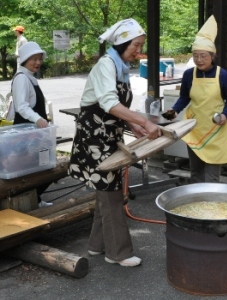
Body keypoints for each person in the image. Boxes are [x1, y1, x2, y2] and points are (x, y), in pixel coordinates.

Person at [68, 18, 161, 267]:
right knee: (110, 191)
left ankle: (97, 245)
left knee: (106, 188)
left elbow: (117, 109)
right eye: (136, 46)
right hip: (95, 137)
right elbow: (109, 104)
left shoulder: (119, 66)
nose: (138, 51)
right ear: (121, 44)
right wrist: (146, 122)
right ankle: (118, 252)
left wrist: (134, 125)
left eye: (141, 45)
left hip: (109, 135)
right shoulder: (106, 66)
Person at [168, 15, 227, 183]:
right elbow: (184, 98)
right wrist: (174, 110)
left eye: (203, 56)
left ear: (212, 56)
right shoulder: (189, 74)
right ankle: (196, 205)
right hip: (194, 128)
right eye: (195, 56)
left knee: (211, 176)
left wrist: (225, 114)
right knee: (195, 172)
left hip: (216, 128)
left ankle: (211, 206)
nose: (199, 60)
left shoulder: (222, 75)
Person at [11, 41, 53, 208]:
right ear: (24, 60)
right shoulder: (22, 78)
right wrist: (37, 119)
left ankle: (35, 199)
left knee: (42, 167)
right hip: (27, 134)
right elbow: (21, 106)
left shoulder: (29, 77)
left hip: (35, 133)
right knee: (39, 168)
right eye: (33, 59)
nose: (37, 63)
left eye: (39, 59)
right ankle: (32, 201)